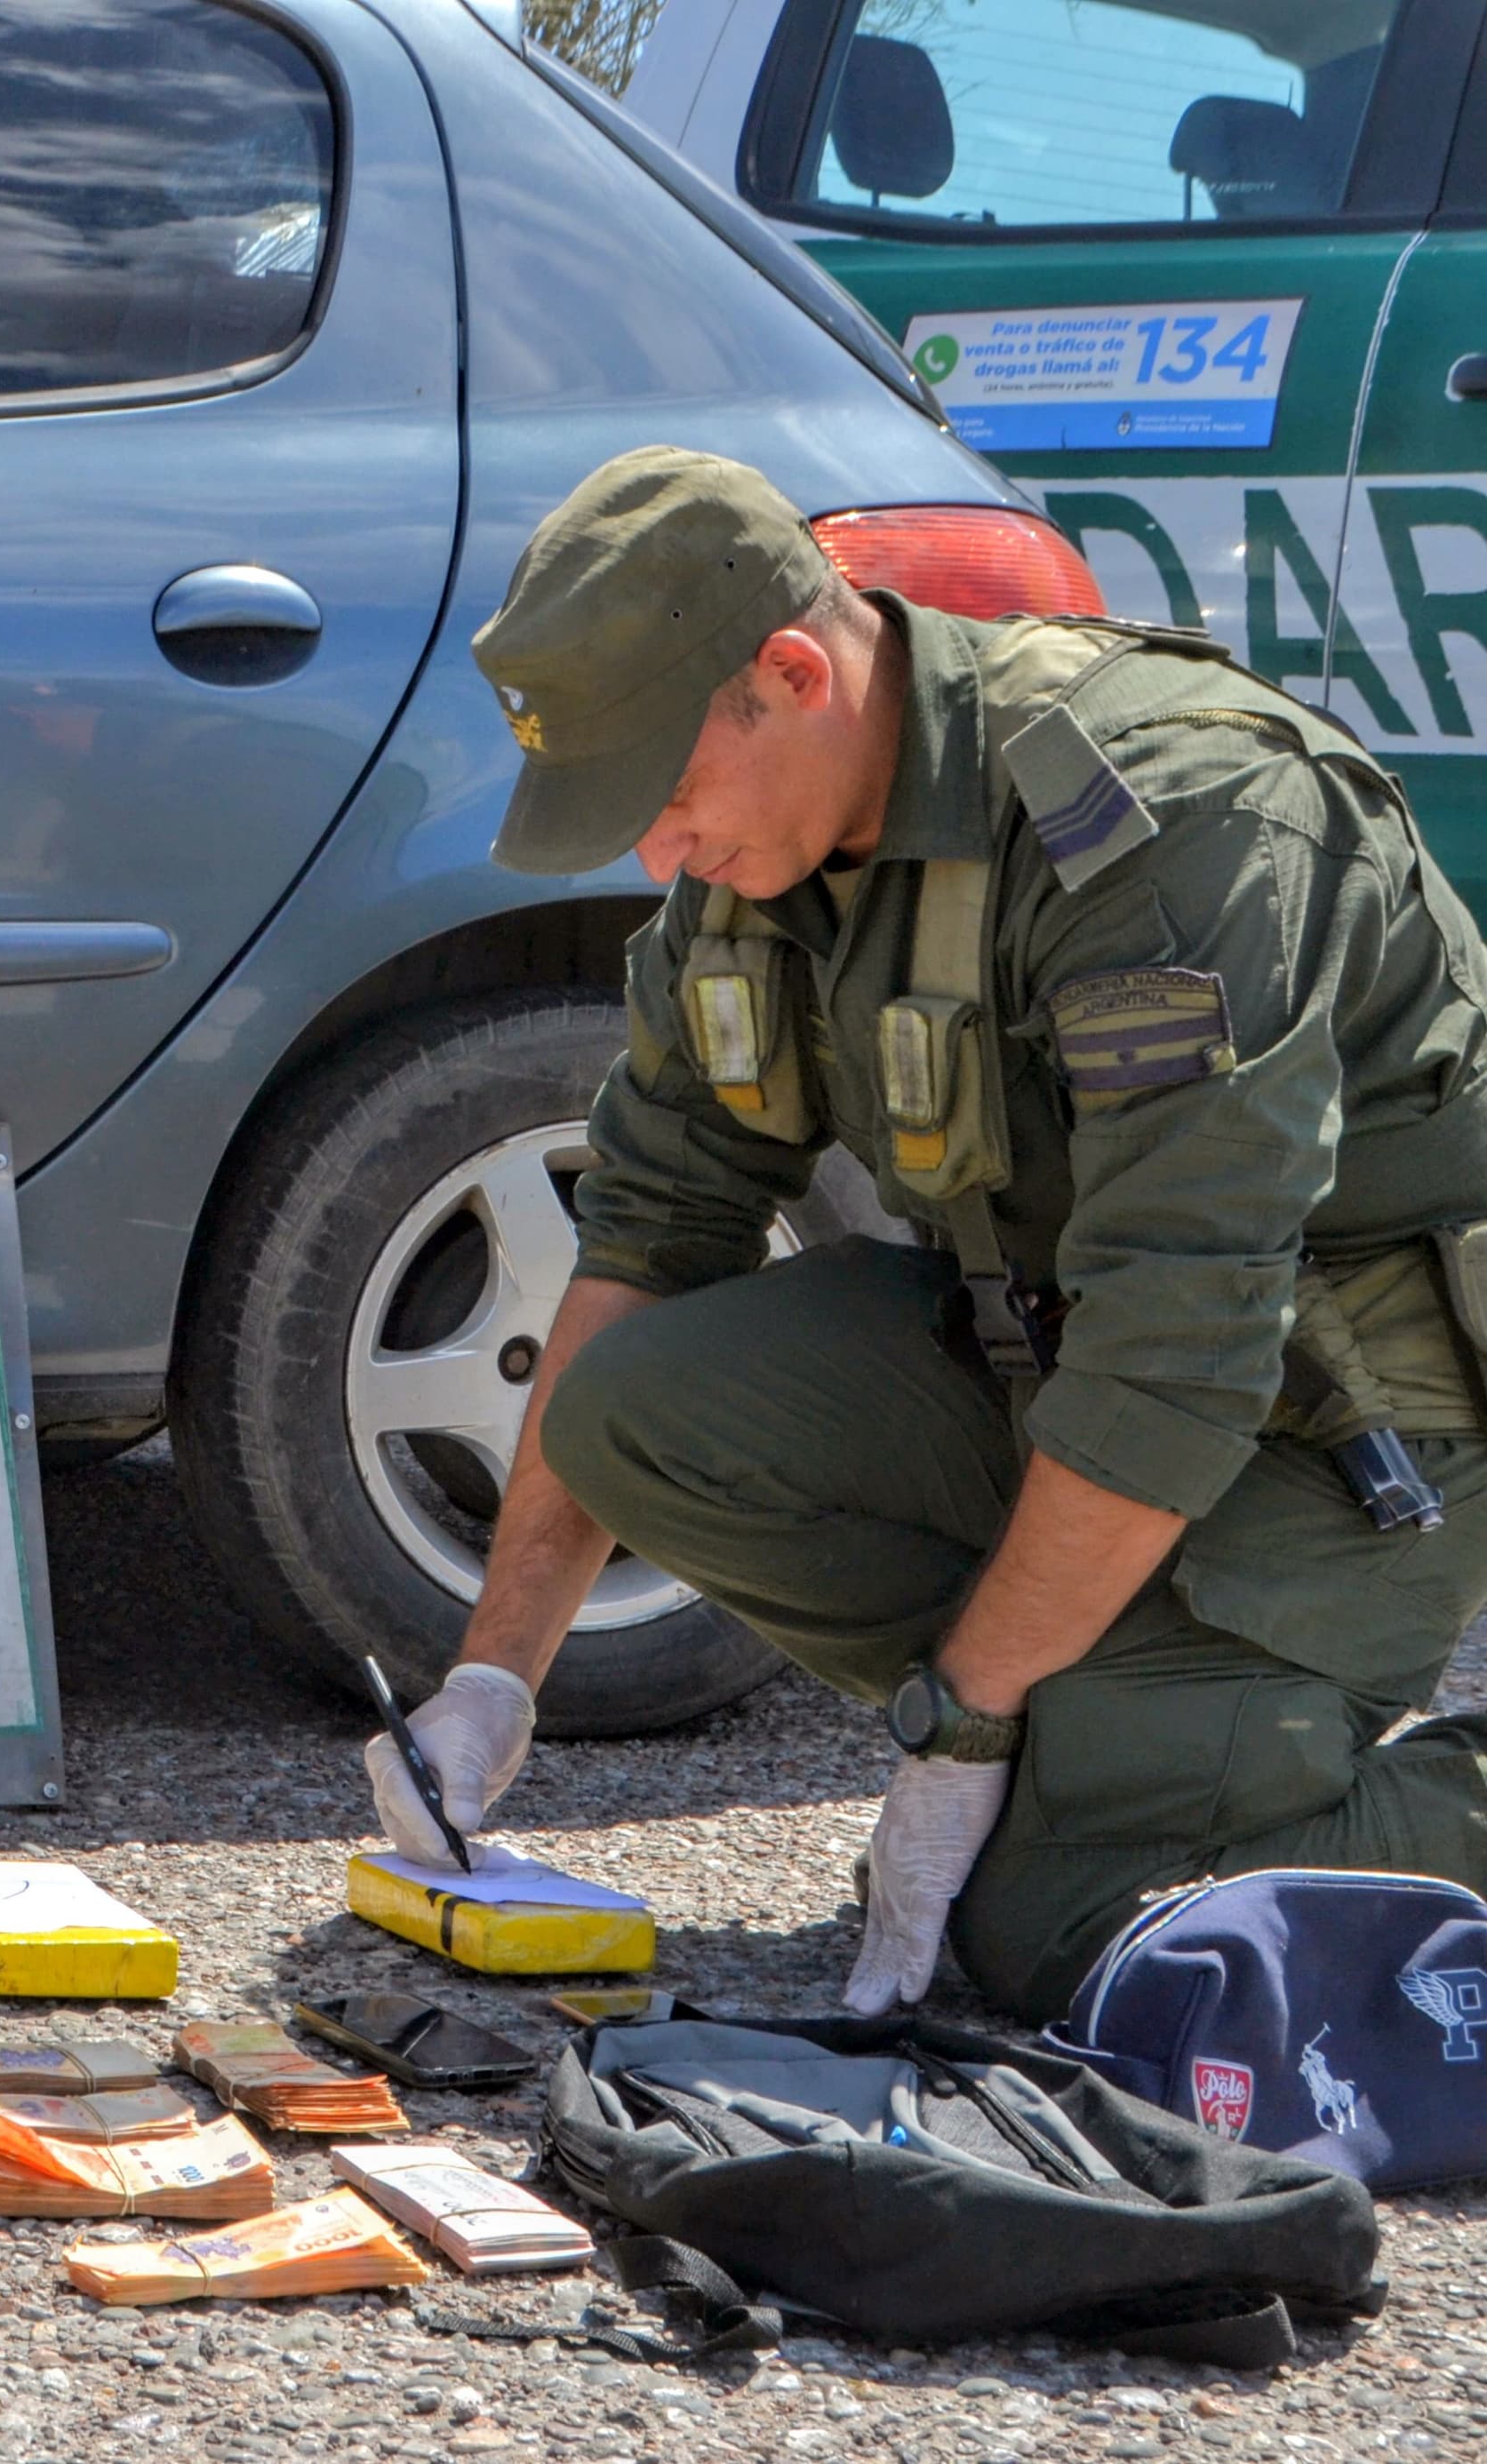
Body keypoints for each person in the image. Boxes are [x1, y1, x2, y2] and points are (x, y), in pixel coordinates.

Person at [362, 445, 1487, 2021]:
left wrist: (961, 1737)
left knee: (1062, 1922)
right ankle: (1096, 1719)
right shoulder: (765, 848)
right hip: (1073, 1375)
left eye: (665, 796)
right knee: (635, 1410)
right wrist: (494, 1678)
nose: (655, 857)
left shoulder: (1163, 821)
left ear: (793, 674)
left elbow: (1185, 1336)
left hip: (1344, 1425)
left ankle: (1131, 1764)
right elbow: (653, 1218)